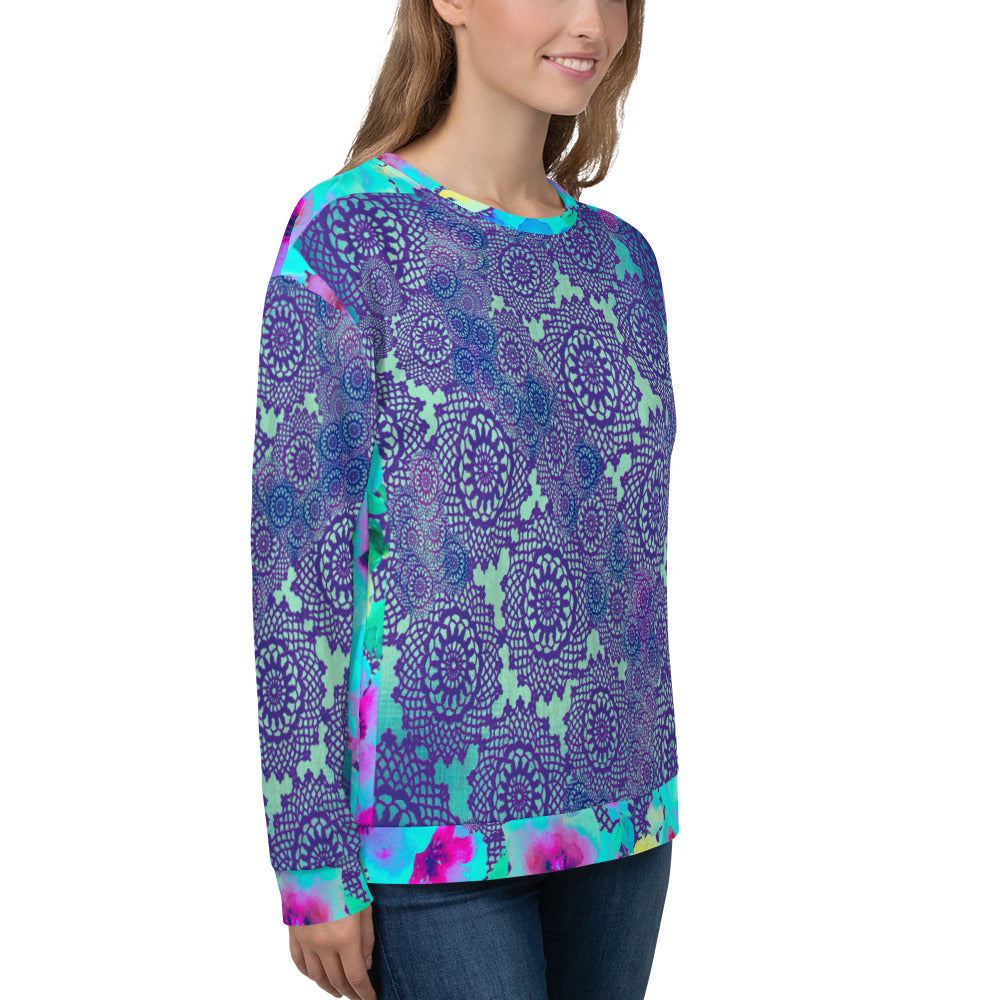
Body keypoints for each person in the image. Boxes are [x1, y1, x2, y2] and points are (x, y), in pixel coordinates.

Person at [250, 1, 679, 997]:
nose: (591, 22)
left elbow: (631, 559)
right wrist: (310, 857)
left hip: (624, 813)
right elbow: (296, 562)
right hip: (428, 834)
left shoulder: (624, 264)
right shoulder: (351, 236)